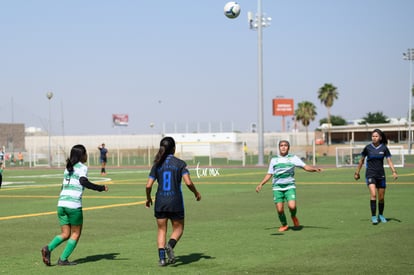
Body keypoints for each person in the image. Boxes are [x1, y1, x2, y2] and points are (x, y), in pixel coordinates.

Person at [41, 144, 109, 266]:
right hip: (73, 204)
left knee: (65, 233)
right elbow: (83, 181)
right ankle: (63, 259)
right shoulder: (82, 167)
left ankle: (48, 248)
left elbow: (63, 186)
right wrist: (101, 188)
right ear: (82, 155)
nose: (86, 155)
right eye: (85, 153)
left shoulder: (67, 168)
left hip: (61, 204)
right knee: (76, 233)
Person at [145, 136, 201, 266]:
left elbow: (148, 185)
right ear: (174, 149)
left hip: (160, 202)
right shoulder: (180, 164)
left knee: (161, 230)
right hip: (175, 202)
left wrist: (148, 198)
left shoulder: (156, 164)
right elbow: (188, 182)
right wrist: (196, 193)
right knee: (179, 228)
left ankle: (162, 259)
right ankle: (170, 245)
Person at [256, 140, 322, 232]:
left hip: (289, 186)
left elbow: (305, 166)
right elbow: (269, 174)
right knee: (279, 210)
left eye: (285, 145)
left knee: (292, 207)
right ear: (279, 148)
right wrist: (261, 184)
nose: (283, 147)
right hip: (277, 188)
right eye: (281, 145)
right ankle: (284, 225)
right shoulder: (274, 159)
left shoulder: (293, 158)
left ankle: (293, 216)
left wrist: (314, 169)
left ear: (288, 148)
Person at [354, 129, 398, 225]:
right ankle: (374, 216)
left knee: (381, 198)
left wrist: (394, 171)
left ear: (380, 138)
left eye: (376, 136)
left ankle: (381, 215)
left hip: (381, 175)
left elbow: (389, 161)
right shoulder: (368, 148)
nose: (374, 138)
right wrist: (357, 172)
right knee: (373, 195)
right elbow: (361, 161)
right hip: (370, 174)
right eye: (373, 136)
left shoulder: (384, 148)